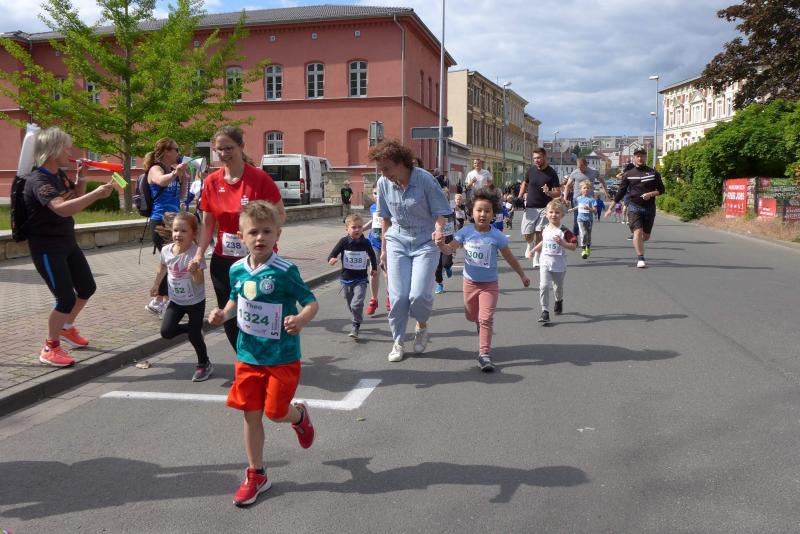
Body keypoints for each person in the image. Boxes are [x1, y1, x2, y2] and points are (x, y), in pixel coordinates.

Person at [208, 201, 318, 507]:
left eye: (267, 231)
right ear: (241, 236)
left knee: (275, 412)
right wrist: (223, 314)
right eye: (253, 232)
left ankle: (299, 416)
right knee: (251, 413)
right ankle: (256, 473)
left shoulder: (285, 271)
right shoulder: (236, 269)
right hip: (248, 356)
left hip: (282, 357)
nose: (260, 238)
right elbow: (235, 300)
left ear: (277, 234)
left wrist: (301, 319)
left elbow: (311, 302)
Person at [22, 127, 117, 367]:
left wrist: (81, 178)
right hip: (47, 248)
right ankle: (50, 347)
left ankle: (65, 327)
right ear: (53, 150)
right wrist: (96, 194)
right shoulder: (39, 180)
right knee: (64, 299)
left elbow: (72, 199)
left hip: (67, 242)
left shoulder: (59, 175)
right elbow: (61, 209)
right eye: (66, 148)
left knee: (87, 287)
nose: (70, 152)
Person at [191, 125, 285, 350]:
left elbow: (280, 214)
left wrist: (261, 236)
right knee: (229, 314)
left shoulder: (259, 178)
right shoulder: (212, 181)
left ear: (241, 147)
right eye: (219, 149)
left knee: (259, 311)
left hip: (259, 260)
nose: (224, 154)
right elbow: (208, 222)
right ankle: (244, 358)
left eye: (229, 148)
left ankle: (266, 356)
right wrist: (199, 253)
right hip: (224, 260)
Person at [371, 140, 452, 362]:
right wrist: (384, 251)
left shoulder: (425, 179)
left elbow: (440, 212)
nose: (383, 174)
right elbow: (385, 219)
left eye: (386, 168)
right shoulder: (384, 183)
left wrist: (438, 230)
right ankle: (398, 341)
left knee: (418, 295)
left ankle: (421, 326)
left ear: (401, 163)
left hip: (425, 240)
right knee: (398, 296)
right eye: (380, 169)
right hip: (397, 240)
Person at [436, 187, 530, 371]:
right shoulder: (465, 232)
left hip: (489, 285)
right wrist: (441, 245)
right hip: (469, 283)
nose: (483, 214)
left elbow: (510, 258)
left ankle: (484, 354)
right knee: (471, 316)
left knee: (486, 317)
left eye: (487, 211)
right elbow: (449, 249)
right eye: (479, 210)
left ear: (493, 214)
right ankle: (478, 323)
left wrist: (522, 275)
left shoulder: (497, 236)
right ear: (472, 212)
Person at [151, 212, 211, 381]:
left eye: (184, 231)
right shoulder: (166, 250)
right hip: (176, 301)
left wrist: (194, 271)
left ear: (193, 233)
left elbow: (200, 282)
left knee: (194, 337)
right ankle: (193, 329)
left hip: (195, 302)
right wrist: (156, 285)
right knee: (166, 332)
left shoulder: (195, 254)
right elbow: (162, 267)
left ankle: (204, 363)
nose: (178, 234)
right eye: (176, 230)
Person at [143, 138, 189, 316]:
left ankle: (159, 301)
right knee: (170, 261)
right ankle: (163, 301)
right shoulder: (156, 169)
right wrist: (175, 173)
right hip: (160, 221)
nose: (178, 153)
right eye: (176, 149)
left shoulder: (173, 171)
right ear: (166, 151)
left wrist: (184, 178)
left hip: (174, 221)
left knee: (171, 261)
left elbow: (182, 196)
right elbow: (161, 181)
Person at [604, 148, 665, 268]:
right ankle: (640, 258)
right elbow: (620, 192)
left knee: (646, 236)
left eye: (642, 156)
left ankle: (638, 242)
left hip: (649, 208)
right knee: (637, 232)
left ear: (645, 157)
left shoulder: (653, 173)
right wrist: (610, 208)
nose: (640, 158)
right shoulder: (629, 174)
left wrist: (650, 194)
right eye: (637, 156)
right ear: (634, 158)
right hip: (634, 207)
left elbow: (662, 190)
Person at [328, 213, 378, 339]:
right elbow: (332, 254)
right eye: (354, 227)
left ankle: (356, 324)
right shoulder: (343, 242)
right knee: (351, 305)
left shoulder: (366, 242)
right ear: (347, 229)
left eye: (360, 227)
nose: (357, 230)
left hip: (361, 279)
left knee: (356, 304)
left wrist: (374, 268)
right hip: (346, 279)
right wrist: (331, 259)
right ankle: (357, 316)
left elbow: (372, 255)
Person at [532, 199, 577, 324]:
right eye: (551, 212)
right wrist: (533, 250)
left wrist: (562, 243)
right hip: (545, 262)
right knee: (543, 286)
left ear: (562, 215)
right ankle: (545, 311)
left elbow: (574, 246)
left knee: (558, 288)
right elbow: (544, 242)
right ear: (546, 214)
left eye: (557, 212)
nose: (554, 215)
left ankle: (559, 300)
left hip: (559, 265)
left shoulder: (564, 231)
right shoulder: (545, 229)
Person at [518, 148, 561, 267]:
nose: (536, 160)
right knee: (527, 234)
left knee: (540, 233)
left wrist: (549, 192)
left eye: (538, 158)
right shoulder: (530, 170)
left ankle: (536, 257)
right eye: (534, 158)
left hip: (545, 207)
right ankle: (529, 244)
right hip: (530, 207)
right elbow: (525, 183)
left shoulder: (552, 173)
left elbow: (558, 192)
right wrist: (520, 196)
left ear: (544, 157)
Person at [563, 158, 608, 236]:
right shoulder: (575, 173)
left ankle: (586, 235)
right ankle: (575, 236)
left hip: (589, 199)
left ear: (586, 165)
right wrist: (565, 199)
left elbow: (602, 181)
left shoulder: (594, 172)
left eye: (581, 167)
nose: (579, 169)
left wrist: (606, 192)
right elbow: (567, 186)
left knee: (588, 218)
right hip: (577, 199)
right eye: (578, 167)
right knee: (577, 218)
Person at [364, 187, 389, 315]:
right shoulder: (373, 207)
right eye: (375, 193)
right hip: (374, 243)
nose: (377, 196)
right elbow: (374, 220)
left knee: (387, 272)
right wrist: (363, 228)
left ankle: (390, 296)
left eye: (380, 193)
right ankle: (374, 299)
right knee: (373, 271)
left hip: (388, 244)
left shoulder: (390, 206)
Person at [434, 187, 456, 294]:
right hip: (437, 241)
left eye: (445, 197)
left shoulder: (451, 211)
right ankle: (439, 284)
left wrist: (456, 237)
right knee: (437, 266)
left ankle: (448, 267)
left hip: (448, 240)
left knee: (446, 262)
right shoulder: (434, 211)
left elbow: (454, 225)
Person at [568, 180, 597, 259]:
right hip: (580, 219)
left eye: (588, 188)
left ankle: (588, 248)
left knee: (588, 235)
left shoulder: (592, 199)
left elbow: (595, 211)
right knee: (583, 234)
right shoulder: (578, 198)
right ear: (581, 189)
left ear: (590, 189)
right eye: (584, 188)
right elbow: (579, 206)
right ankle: (583, 250)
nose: (586, 189)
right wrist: (572, 209)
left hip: (589, 220)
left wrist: (589, 208)